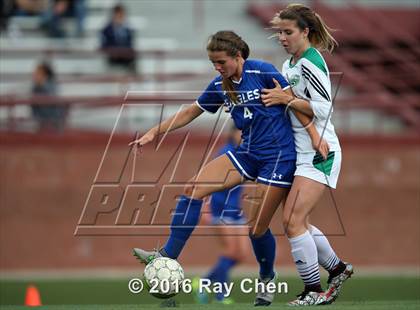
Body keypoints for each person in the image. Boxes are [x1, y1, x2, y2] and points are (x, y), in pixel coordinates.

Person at [129, 31, 324, 306]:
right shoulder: (221, 85)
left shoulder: (263, 70)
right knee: (192, 188)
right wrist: (153, 132)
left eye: (221, 62)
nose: (217, 68)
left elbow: (295, 103)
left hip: (278, 158)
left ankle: (267, 277)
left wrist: (315, 137)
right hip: (247, 154)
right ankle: (167, 255)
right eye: (213, 63)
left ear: (238, 56)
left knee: (256, 228)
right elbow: (190, 111)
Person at [260, 4, 354, 306]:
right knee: (298, 223)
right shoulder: (290, 64)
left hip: (319, 153)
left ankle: (313, 290)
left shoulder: (310, 62)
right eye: (280, 33)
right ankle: (338, 269)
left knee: (292, 221)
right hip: (300, 153)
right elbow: (294, 105)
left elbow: (325, 108)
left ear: (305, 32)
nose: (283, 38)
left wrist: (287, 98)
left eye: (288, 32)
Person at [193, 126, 248, 305]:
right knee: (230, 250)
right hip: (220, 209)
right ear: (232, 133)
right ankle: (221, 295)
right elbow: (205, 180)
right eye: (241, 131)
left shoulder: (247, 153)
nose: (244, 135)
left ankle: (204, 282)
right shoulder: (224, 153)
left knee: (241, 255)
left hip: (236, 210)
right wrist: (204, 208)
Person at [31, 62, 68, 131]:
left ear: (45, 75)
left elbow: (56, 109)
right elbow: (34, 111)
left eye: (37, 73)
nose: (34, 75)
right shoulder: (35, 88)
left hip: (55, 124)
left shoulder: (52, 86)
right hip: (41, 124)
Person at [100, 4, 136, 72]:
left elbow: (131, 44)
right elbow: (104, 45)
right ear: (114, 15)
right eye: (118, 14)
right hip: (113, 58)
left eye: (122, 14)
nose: (120, 17)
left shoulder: (128, 29)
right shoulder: (106, 30)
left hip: (126, 58)